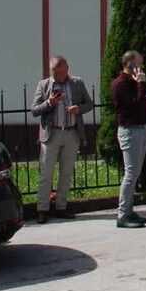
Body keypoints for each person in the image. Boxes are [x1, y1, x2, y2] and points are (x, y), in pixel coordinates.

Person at [29, 55, 93, 223]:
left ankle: (61, 207)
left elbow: (89, 104)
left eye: (63, 72)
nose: (60, 76)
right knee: (46, 174)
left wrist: (78, 109)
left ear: (67, 69)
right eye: (56, 73)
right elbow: (34, 110)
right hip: (51, 134)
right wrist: (49, 103)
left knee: (66, 173)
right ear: (51, 71)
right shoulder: (44, 85)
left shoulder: (77, 83)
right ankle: (42, 209)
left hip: (72, 133)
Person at [110, 51, 146, 228]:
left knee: (135, 173)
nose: (141, 68)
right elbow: (133, 103)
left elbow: (139, 105)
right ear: (129, 64)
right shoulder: (120, 84)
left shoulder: (133, 82)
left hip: (140, 128)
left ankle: (129, 210)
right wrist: (141, 84)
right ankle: (123, 215)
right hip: (130, 131)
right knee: (130, 173)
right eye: (139, 64)